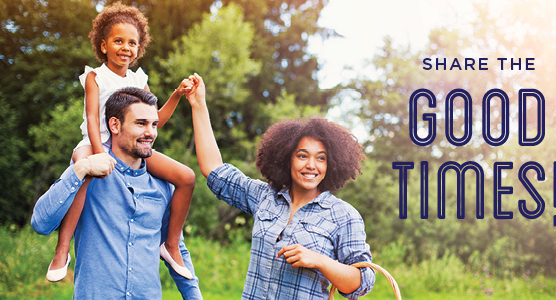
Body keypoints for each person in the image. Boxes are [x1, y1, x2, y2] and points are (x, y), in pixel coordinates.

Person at [185, 74, 375, 299]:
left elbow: (362, 283)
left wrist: (320, 261)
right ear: (288, 158)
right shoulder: (265, 197)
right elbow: (214, 170)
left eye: (321, 158)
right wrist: (198, 104)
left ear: (331, 163)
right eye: (302, 156)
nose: (311, 165)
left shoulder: (343, 215)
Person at [46, 2, 194, 282]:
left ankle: (171, 244)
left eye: (132, 43)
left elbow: (156, 119)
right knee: (85, 171)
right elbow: (92, 118)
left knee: (186, 177)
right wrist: (100, 155)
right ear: (104, 46)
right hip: (96, 141)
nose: (126, 47)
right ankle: (62, 249)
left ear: (139, 48)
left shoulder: (140, 79)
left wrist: (176, 94)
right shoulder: (95, 76)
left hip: (131, 146)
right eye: (118, 41)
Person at [31, 87, 202, 299]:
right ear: (115, 125)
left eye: (154, 124)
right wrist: (80, 170)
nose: (150, 132)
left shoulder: (163, 186)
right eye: (141, 123)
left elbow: (176, 248)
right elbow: (41, 223)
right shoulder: (86, 175)